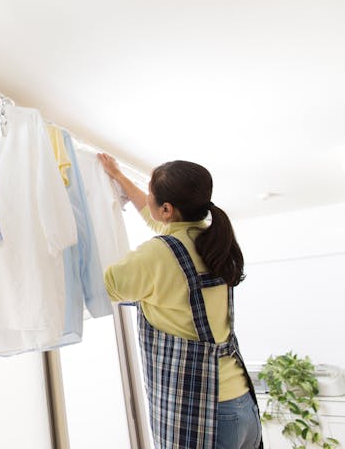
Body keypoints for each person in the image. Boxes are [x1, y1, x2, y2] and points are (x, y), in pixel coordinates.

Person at [98, 154, 262, 449]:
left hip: (205, 415)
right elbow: (156, 219)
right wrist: (119, 177)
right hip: (242, 405)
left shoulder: (157, 254)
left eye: (150, 193)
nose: (146, 198)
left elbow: (100, 288)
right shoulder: (214, 239)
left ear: (167, 209)